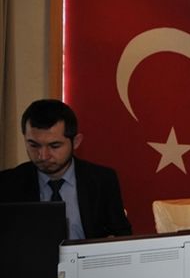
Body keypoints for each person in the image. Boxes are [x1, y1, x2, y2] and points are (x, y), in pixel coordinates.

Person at [0, 99, 132, 239]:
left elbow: (122, 233)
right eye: (34, 145)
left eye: (54, 146)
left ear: (76, 142)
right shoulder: (7, 183)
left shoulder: (102, 180)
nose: (43, 156)